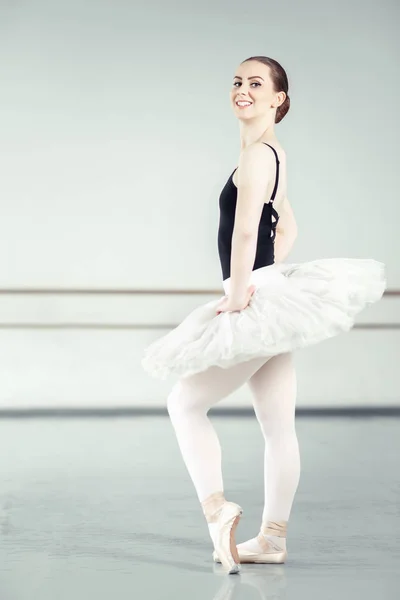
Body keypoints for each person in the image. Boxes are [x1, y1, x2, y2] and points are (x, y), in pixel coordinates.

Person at [141, 56, 386, 574]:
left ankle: (217, 511)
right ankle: (271, 538)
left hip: (253, 294)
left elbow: (248, 230)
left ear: (279, 98)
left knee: (184, 404)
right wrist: (269, 277)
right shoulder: (269, 153)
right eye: (237, 81)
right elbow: (286, 225)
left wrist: (239, 291)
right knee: (278, 427)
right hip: (270, 291)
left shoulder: (258, 155)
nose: (242, 89)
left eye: (256, 83)